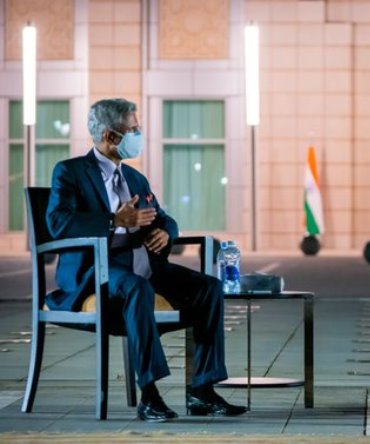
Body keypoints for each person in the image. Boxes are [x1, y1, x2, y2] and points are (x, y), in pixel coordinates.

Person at [46, 98, 246, 422]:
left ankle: (202, 390)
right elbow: (58, 223)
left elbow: (164, 218)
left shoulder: (134, 178)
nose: (139, 135)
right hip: (97, 268)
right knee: (137, 288)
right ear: (110, 136)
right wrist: (114, 220)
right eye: (134, 130)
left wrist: (166, 233)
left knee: (208, 288)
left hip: (142, 263)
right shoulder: (70, 172)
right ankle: (150, 396)